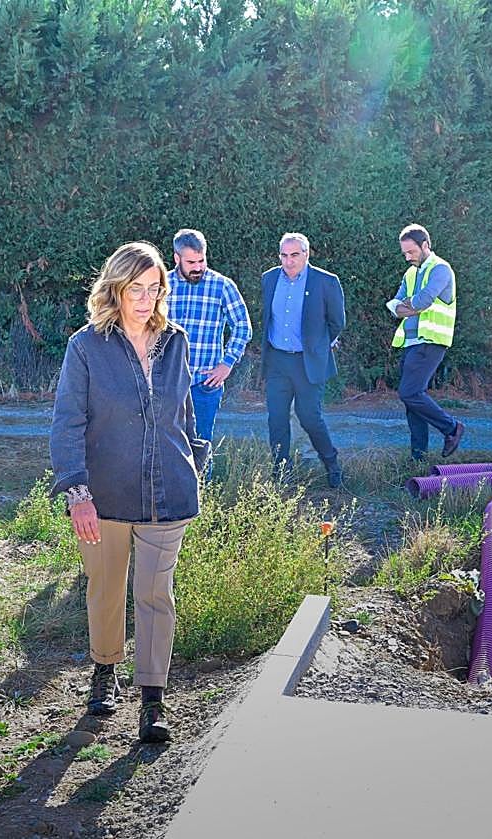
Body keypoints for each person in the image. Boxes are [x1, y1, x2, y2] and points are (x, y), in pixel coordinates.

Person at [50, 241, 209, 743]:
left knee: (155, 594)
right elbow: (67, 422)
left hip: (170, 493)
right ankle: (104, 670)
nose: (145, 298)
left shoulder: (176, 342)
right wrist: (78, 493)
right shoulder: (86, 346)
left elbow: (185, 413)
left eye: (154, 288)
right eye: (135, 288)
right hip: (105, 496)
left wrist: (194, 464)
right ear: (115, 289)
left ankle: (152, 698)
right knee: (106, 589)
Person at [261, 232, 346, 487]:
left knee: (309, 416)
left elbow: (337, 322)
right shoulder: (270, 278)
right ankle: (281, 473)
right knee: (276, 418)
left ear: (306, 254)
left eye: (295, 255)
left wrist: (319, 346)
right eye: (284, 255)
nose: (289, 261)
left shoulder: (325, 282)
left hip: (307, 362)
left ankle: (332, 463)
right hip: (277, 361)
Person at [386, 223, 466, 460]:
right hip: (411, 342)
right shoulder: (411, 273)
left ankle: (452, 428)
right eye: (405, 253)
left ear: (425, 245)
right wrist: (409, 306)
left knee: (409, 393)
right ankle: (417, 457)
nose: (408, 257)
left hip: (431, 341)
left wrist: (409, 306)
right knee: (413, 401)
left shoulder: (440, 269)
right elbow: (394, 306)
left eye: (411, 252)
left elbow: (422, 301)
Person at [166, 228, 252, 441]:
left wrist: (227, 364)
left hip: (204, 384)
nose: (198, 268)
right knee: (165, 446)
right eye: (191, 263)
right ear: (177, 258)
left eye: (201, 261)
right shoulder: (161, 285)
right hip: (166, 381)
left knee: (201, 444)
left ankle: (204, 477)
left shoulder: (222, 285)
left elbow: (243, 326)